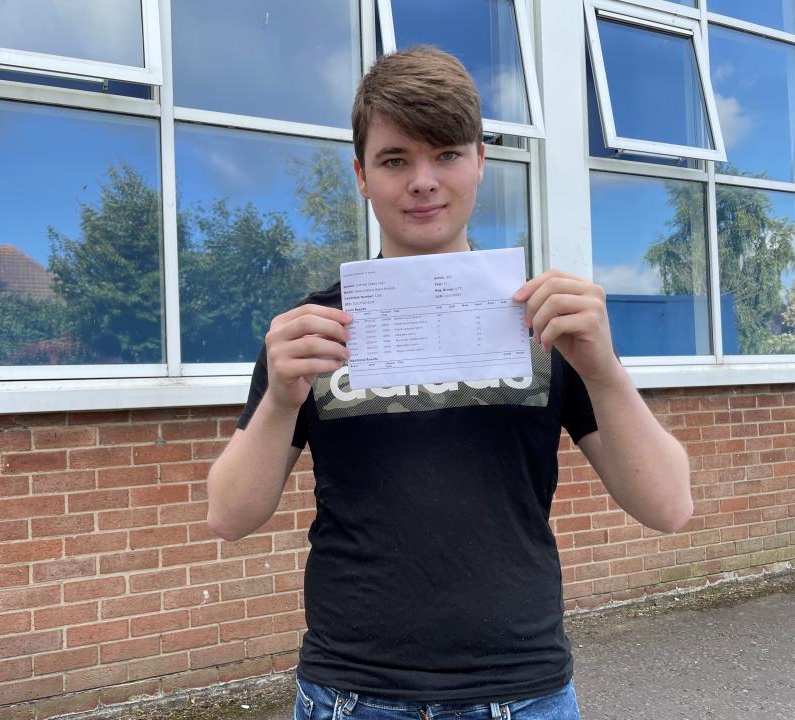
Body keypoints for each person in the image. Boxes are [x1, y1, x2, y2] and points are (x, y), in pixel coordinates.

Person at [206, 46, 693, 720]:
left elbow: (668, 506)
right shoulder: (313, 333)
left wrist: (604, 370)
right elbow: (229, 516)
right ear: (362, 176)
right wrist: (281, 401)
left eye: (447, 154)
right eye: (395, 159)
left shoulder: (547, 322)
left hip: (522, 693)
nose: (423, 181)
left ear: (480, 163)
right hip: (350, 695)